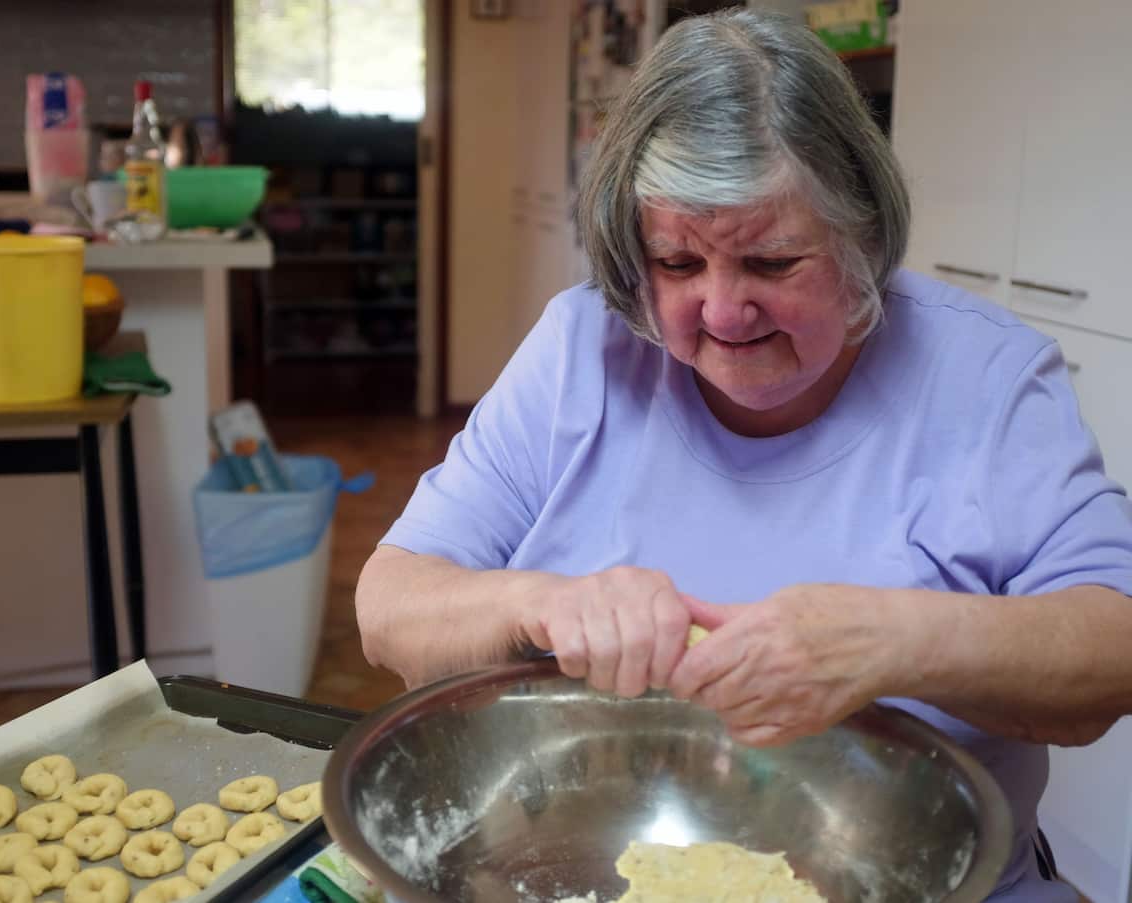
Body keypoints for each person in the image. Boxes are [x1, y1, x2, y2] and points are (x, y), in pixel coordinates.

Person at [355, 9, 1132, 901]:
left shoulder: (986, 380)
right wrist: (545, 604)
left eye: (772, 260)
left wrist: (890, 641)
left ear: (862, 238)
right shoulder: (580, 353)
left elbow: (1113, 649)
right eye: (677, 263)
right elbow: (390, 602)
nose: (723, 312)